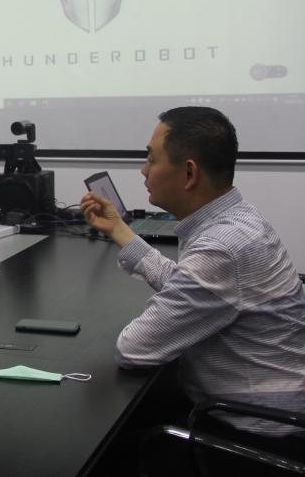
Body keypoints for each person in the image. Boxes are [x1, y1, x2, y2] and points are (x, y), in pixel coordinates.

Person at [81, 107, 305, 439]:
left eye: (151, 159)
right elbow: (189, 285)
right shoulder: (237, 218)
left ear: (189, 173)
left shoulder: (222, 248)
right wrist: (119, 229)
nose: (144, 170)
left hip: (258, 430)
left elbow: (134, 348)